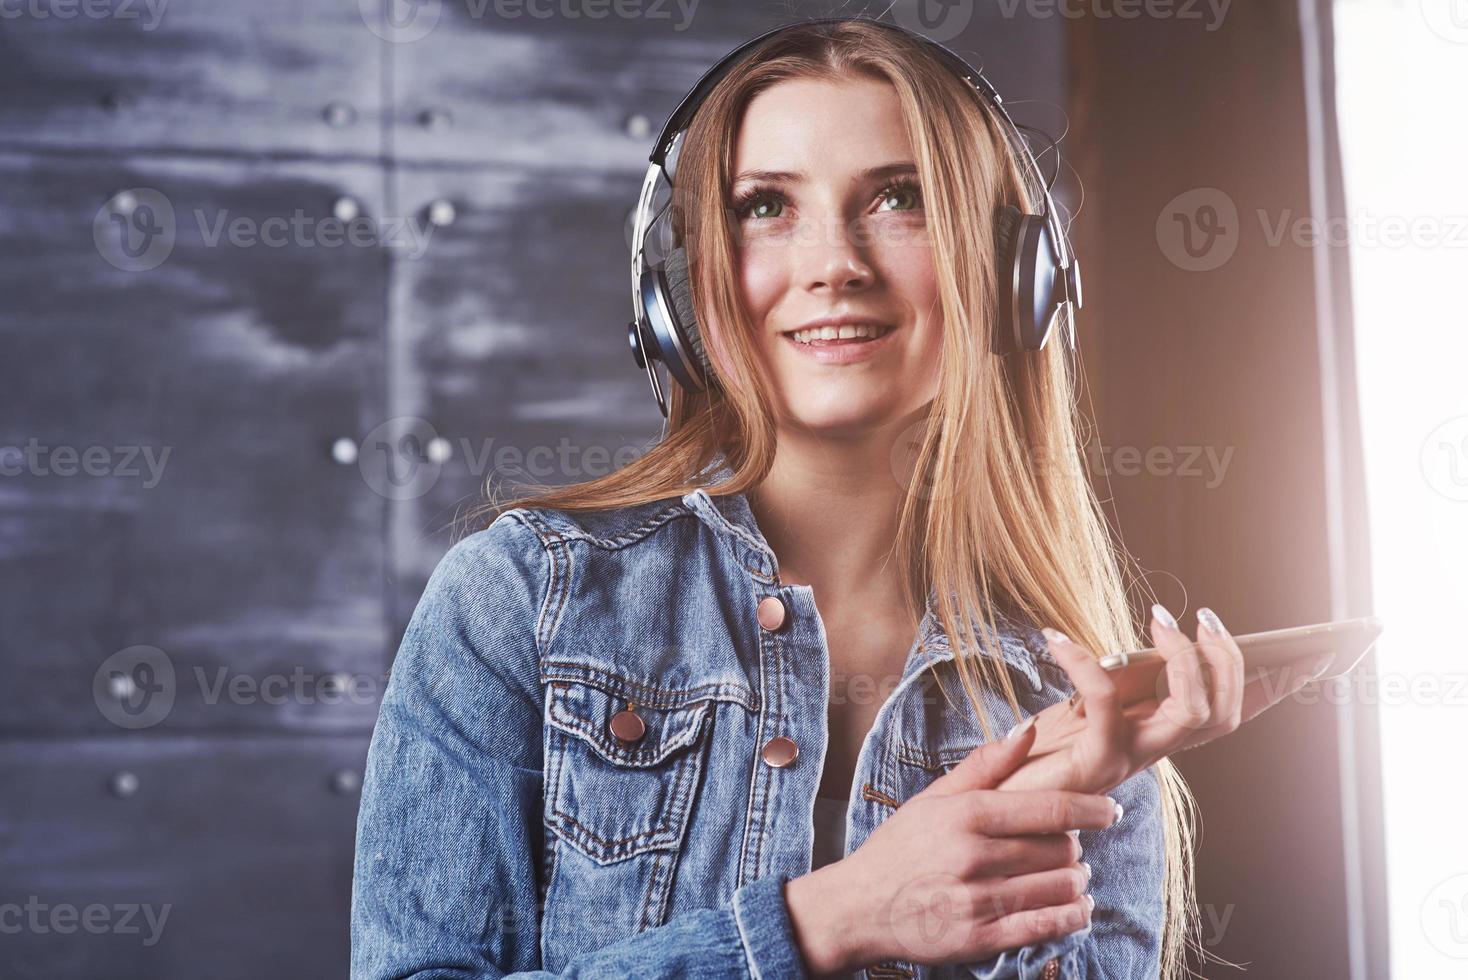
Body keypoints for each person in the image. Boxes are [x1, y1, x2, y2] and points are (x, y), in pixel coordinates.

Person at [350, 18, 1325, 979]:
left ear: (1008, 276)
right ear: (675, 289)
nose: (834, 264)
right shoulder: (519, 600)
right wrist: (829, 919)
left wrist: (1031, 893)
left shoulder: (1078, 715)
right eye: (765, 206)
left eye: (900, 198)